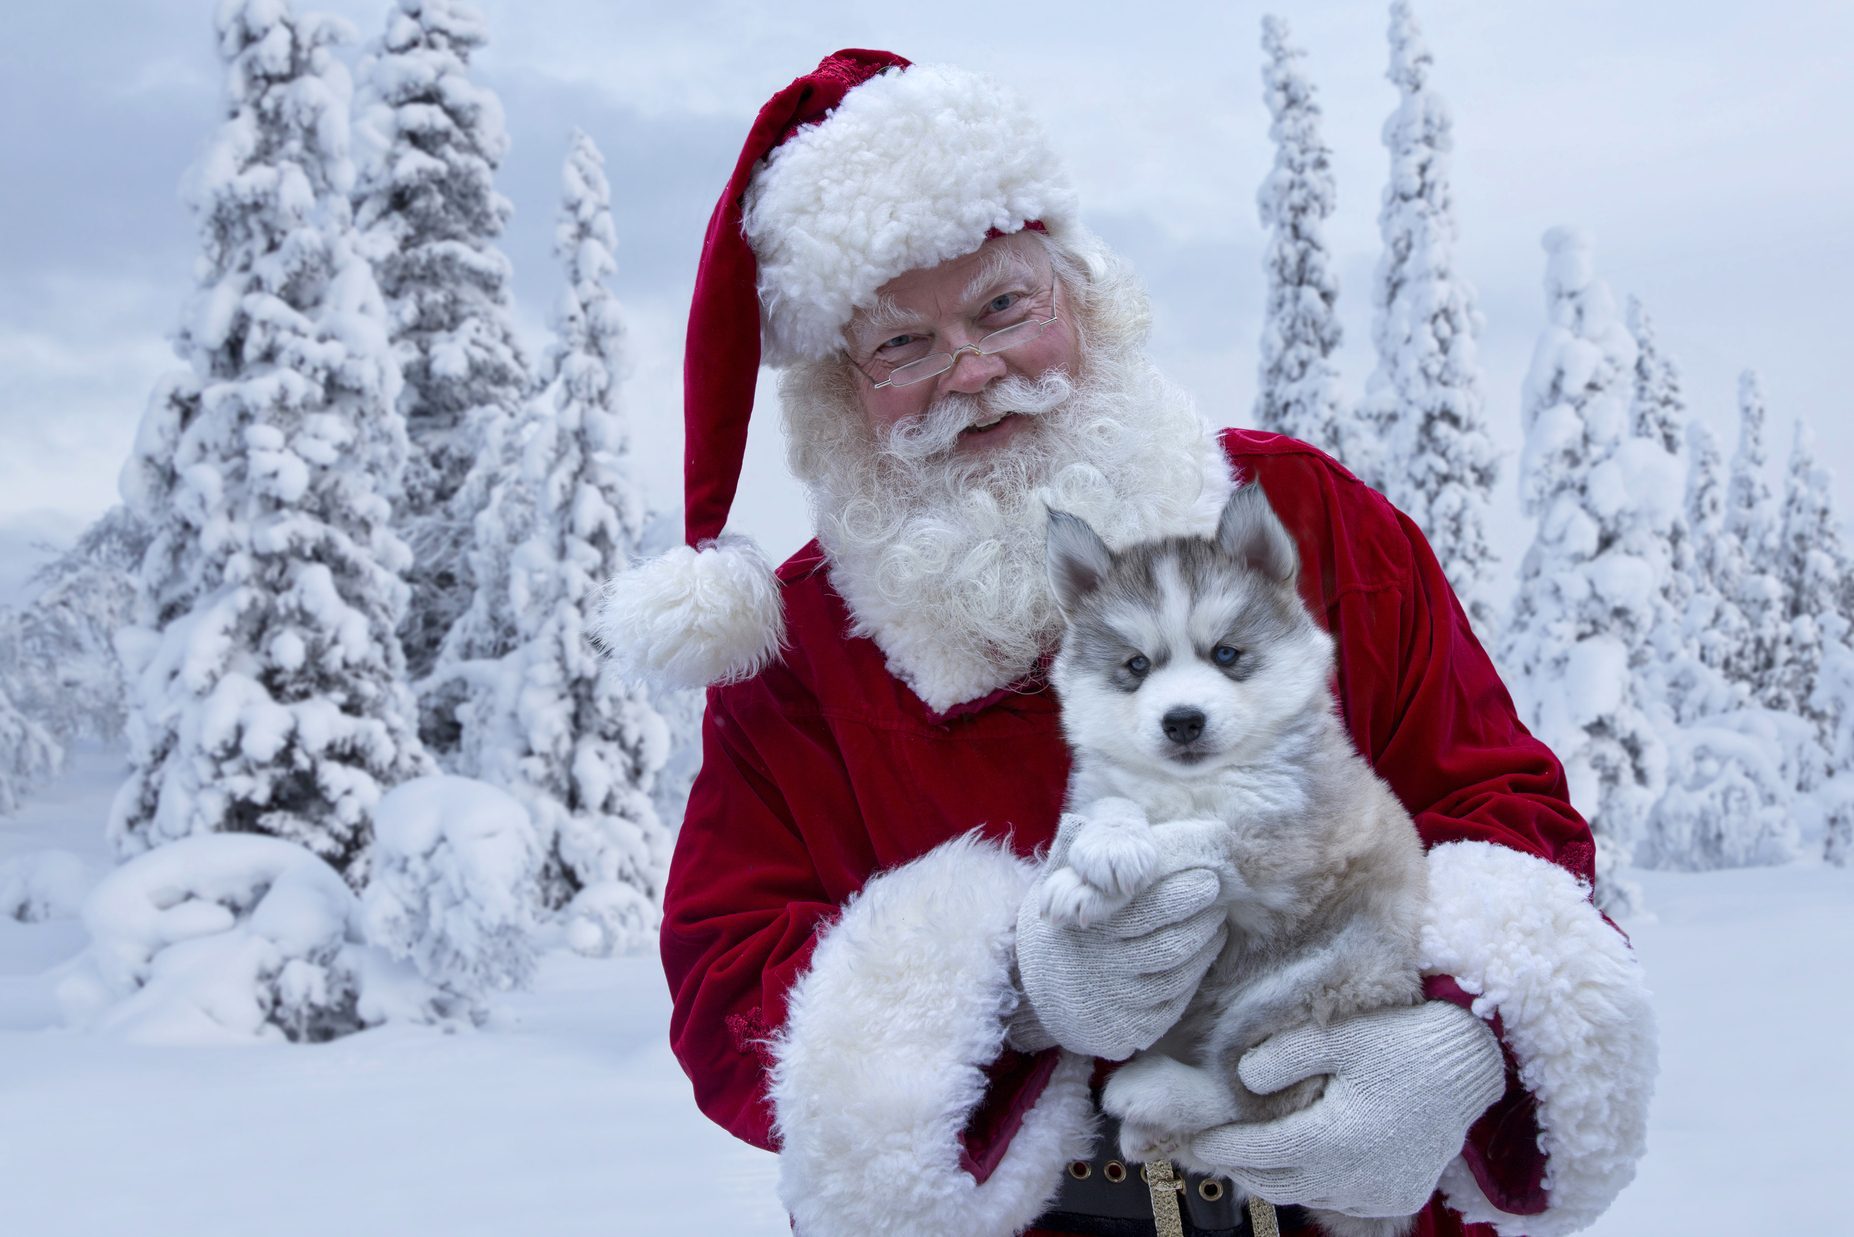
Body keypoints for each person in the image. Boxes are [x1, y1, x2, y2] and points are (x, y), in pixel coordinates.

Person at [599, 50, 1655, 1237]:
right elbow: (725, 985)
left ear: (1080, 299)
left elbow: (1505, 809)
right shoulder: (798, 662)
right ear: (848, 396)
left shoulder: (1306, 522)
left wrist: (1465, 1034)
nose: (975, 372)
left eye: (1004, 306)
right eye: (903, 346)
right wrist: (1010, 985)